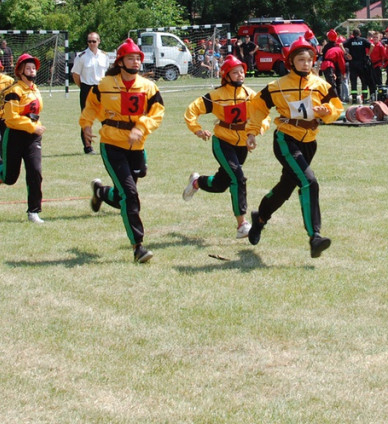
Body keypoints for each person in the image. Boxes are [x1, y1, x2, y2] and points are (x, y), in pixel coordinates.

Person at [245, 38, 344, 258]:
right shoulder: (277, 86)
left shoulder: (321, 84)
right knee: (309, 182)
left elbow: (337, 107)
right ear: (291, 61)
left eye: (309, 60)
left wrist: (327, 110)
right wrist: (251, 132)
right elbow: (258, 106)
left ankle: (260, 218)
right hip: (285, 139)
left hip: (310, 142)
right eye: (301, 59)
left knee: (286, 187)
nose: (306, 63)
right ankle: (314, 236)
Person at [84, 39, 165, 263]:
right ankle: (138, 247)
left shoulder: (149, 87)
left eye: (138, 58)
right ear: (120, 62)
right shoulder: (105, 84)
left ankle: (100, 192)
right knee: (130, 194)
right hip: (111, 144)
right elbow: (91, 104)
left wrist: (141, 127)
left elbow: (157, 112)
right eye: (131, 58)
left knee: (123, 193)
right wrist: (87, 124)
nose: (136, 61)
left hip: (137, 146)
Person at [182, 55, 269, 238]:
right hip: (222, 142)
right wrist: (197, 129)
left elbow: (263, 114)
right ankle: (242, 225)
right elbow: (192, 110)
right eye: (235, 72)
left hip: (242, 144)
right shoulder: (216, 96)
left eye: (242, 72)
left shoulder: (250, 95)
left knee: (222, 184)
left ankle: (197, 182)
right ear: (226, 76)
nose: (240, 75)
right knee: (238, 179)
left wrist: (257, 130)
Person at [0, 54, 47, 223]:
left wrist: (37, 127)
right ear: (20, 72)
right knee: (9, 178)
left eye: (33, 68)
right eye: (28, 68)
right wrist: (32, 126)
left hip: (33, 138)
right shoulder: (14, 91)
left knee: (35, 171)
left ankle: (34, 211)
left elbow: (34, 113)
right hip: (15, 136)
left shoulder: (35, 89)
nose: (32, 70)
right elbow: (11, 118)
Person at [71, 32, 110, 154]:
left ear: (99, 41)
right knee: (87, 119)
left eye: (94, 41)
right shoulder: (81, 57)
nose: (91, 44)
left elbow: (106, 73)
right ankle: (87, 147)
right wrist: (83, 87)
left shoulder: (104, 56)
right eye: (89, 41)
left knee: (107, 117)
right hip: (87, 88)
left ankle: (108, 145)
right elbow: (76, 75)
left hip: (101, 89)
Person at [342, 28, 372, 103]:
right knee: (364, 81)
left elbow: (340, 44)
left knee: (353, 82)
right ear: (360, 34)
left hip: (353, 64)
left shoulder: (350, 41)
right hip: (362, 64)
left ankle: (354, 99)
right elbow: (372, 45)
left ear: (353, 34)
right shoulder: (363, 40)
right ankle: (365, 99)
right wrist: (368, 54)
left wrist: (346, 54)